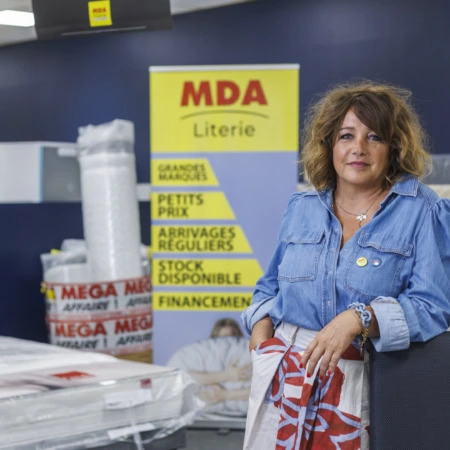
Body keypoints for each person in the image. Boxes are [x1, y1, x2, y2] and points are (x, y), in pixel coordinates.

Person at [241, 81, 450, 449]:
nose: (358, 148)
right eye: (346, 136)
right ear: (330, 144)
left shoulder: (423, 210)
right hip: (285, 377)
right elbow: (268, 288)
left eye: (374, 137)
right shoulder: (301, 208)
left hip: (363, 379)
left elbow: (433, 307)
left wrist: (359, 318)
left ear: (394, 147)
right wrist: (261, 336)